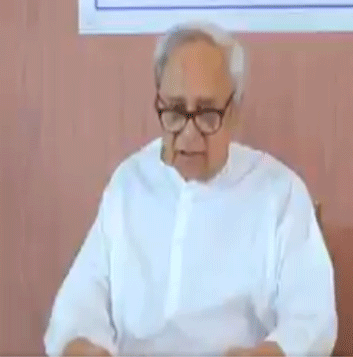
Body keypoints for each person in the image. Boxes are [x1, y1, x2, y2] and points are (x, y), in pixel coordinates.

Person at [43, 21, 338, 356]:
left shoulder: (279, 193)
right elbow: (82, 297)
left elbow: (312, 317)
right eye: (175, 111)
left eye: (207, 113)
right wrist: (82, 345)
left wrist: (271, 353)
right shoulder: (130, 183)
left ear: (234, 113)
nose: (188, 134)